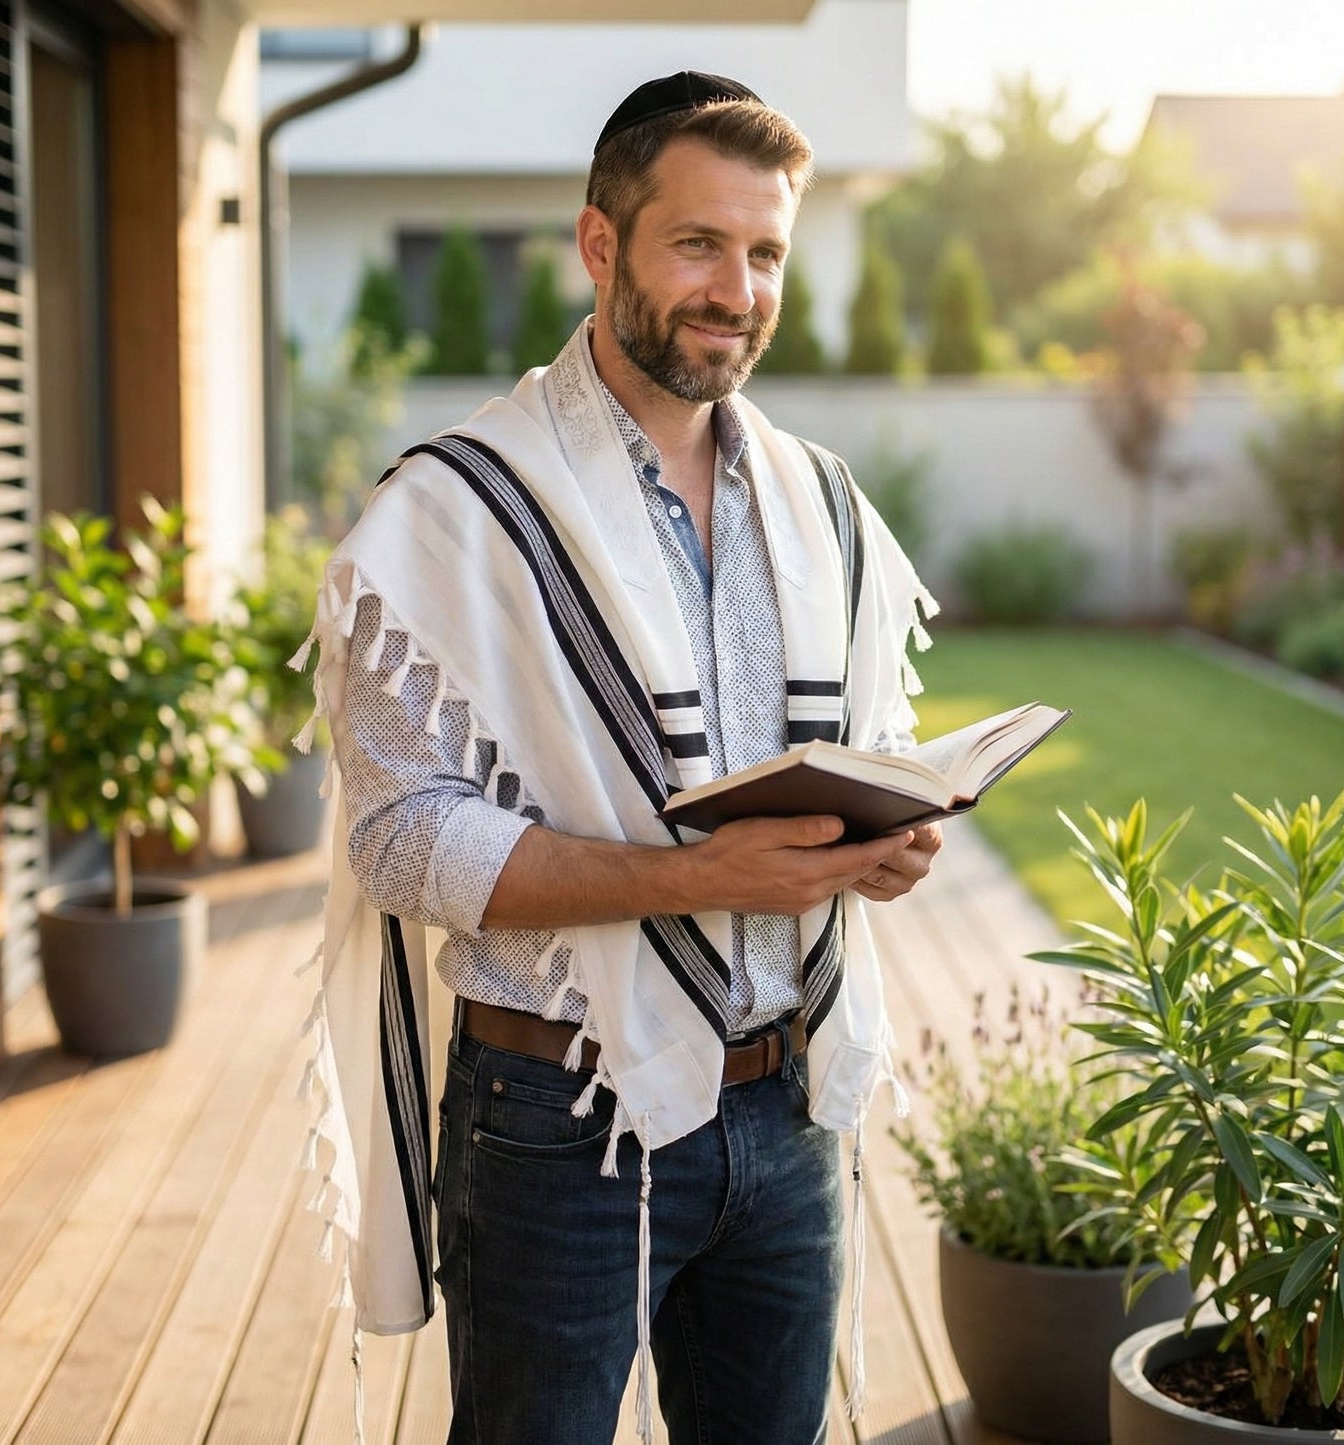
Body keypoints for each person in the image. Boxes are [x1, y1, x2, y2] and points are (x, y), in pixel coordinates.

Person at [295, 71, 942, 1445]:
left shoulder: (820, 500)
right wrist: (699, 876)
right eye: (697, 243)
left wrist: (883, 832)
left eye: (764, 251)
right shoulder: (452, 515)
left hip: (785, 1109)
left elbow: (860, 747)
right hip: (556, 1115)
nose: (738, 288)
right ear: (601, 245)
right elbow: (404, 837)